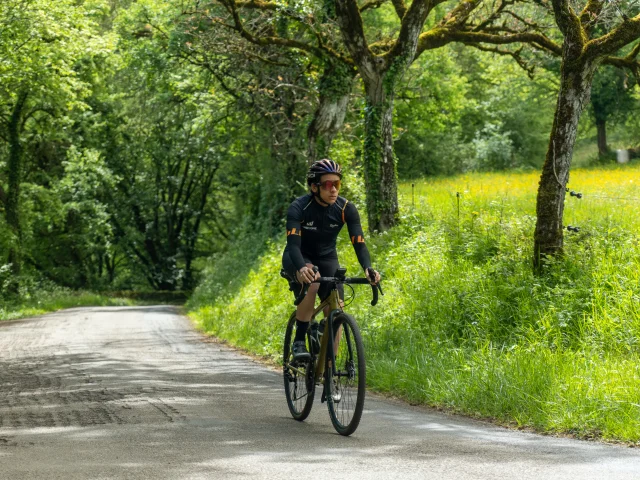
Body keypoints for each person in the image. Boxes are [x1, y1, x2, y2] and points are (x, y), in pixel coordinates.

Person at [282, 159, 381, 362]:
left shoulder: (346, 208)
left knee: (336, 311)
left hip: (327, 257)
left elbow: (359, 243)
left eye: (337, 184)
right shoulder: (299, 207)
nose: (333, 189)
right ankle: (299, 340)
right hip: (299, 256)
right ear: (314, 187)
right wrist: (301, 268)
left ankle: (330, 370)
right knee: (313, 281)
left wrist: (368, 268)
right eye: (328, 184)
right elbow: (293, 245)